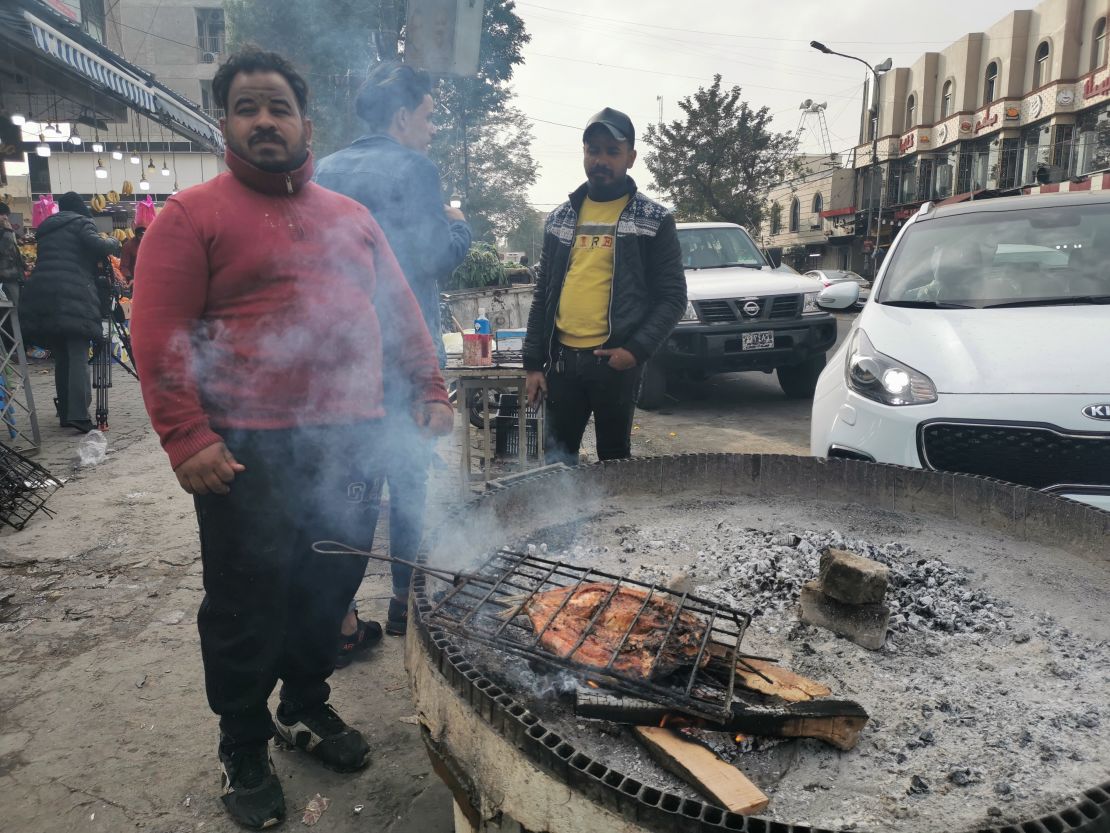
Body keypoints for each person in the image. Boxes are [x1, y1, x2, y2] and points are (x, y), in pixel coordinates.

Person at [129, 48, 452, 830]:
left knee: (328, 592)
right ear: (225, 123)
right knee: (246, 605)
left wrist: (429, 387)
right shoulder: (192, 215)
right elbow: (159, 333)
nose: (264, 120)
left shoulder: (349, 216)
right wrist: (186, 435)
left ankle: (305, 704)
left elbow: (401, 312)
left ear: (307, 124)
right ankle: (243, 741)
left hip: (349, 441)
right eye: (247, 107)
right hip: (245, 450)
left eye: (278, 107)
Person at [314, 61, 467, 644]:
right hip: (402, 354)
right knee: (407, 477)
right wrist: (461, 226)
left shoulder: (324, 168)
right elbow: (428, 259)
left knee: (346, 486)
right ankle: (404, 599)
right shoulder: (415, 167)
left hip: (339, 355)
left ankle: (342, 614)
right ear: (403, 116)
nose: (430, 129)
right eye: (428, 117)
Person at [523, 107, 686, 464]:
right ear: (584, 153)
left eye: (612, 151)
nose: (601, 160)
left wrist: (636, 351)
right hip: (562, 365)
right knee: (556, 464)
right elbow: (543, 295)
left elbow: (673, 297)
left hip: (614, 366)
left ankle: (614, 523)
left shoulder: (653, 219)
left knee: (614, 462)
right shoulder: (559, 219)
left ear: (631, 157)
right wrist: (533, 364)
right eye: (593, 150)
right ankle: (561, 523)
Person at [19, 191, 120, 433]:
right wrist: (113, 242)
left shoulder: (47, 229)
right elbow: (98, 246)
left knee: (62, 355)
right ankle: (79, 414)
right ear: (79, 208)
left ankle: (66, 413)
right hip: (72, 295)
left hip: (43, 297)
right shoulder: (81, 222)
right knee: (78, 354)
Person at [0, 202, 24, 307]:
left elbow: (12, 253)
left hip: (11, 276)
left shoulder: (5, 231)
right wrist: (8, 232)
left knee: (16, 308)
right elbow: (3, 250)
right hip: (5, 278)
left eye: (6, 215)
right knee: (15, 309)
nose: (5, 217)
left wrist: (22, 265)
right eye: (2, 214)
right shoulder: (6, 232)